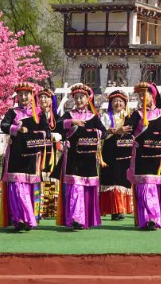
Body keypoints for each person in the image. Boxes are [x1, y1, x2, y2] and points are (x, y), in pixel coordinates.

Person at [0, 82, 51, 231]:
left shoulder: (39, 113)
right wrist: (17, 129)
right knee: (16, 187)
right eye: (20, 94)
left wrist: (35, 135)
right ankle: (19, 219)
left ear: (31, 96)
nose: (23, 97)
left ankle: (28, 218)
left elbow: (46, 131)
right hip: (15, 154)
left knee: (29, 187)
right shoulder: (12, 112)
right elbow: (3, 125)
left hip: (31, 155)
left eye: (26, 94)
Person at [126, 82, 161, 230]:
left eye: (145, 94)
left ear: (152, 96)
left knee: (154, 188)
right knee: (145, 188)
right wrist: (124, 131)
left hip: (157, 159)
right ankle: (149, 219)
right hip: (142, 157)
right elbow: (128, 129)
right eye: (140, 95)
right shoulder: (137, 114)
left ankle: (153, 219)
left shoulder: (160, 114)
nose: (142, 97)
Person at [56, 84, 106, 230]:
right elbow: (57, 125)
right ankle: (76, 219)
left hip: (88, 159)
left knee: (86, 188)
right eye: (76, 98)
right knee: (75, 188)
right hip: (73, 157)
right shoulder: (69, 115)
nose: (78, 100)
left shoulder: (93, 116)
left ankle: (86, 219)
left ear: (87, 99)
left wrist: (93, 132)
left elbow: (104, 132)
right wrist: (72, 123)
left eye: (81, 97)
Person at [99, 90, 133, 221]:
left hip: (125, 153)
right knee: (112, 180)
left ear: (125, 103)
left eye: (120, 101)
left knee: (124, 181)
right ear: (111, 103)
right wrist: (112, 131)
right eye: (115, 101)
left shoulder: (130, 117)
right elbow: (100, 133)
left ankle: (123, 208)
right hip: (110, 153)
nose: (118, 103)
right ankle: (115, 210)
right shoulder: (106, 117)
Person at [37, 88, 61, 220]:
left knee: (50, 176)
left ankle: (49, 208)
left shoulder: (56, 118)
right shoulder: (35, 116)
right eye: (41, 97)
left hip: (52, 151)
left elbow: (63, 131)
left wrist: (59, 136)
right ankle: (38, 207)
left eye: (46, 97)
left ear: (51, 100)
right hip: (37, 150)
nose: (43, 100)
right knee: (39, 176)